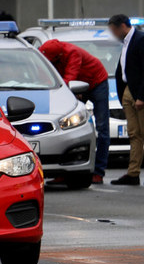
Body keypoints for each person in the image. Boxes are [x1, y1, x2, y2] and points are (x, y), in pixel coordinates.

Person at [39, 40, 111, 184]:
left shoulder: (73, 53)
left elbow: (69, 77)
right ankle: (64, 172)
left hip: (97, 83)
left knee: (102, 128)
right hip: (78, 85)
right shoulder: (50, 55)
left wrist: (70, 92)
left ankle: (98, 172)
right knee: (66, 126)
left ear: (58, 56)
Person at [107, 15, 144, 186]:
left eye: (114, 30)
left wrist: (142, 96)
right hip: (128, 90)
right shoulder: (125, 42)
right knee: (134, 135)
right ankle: (133, 173)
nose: (113, 34)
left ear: (122, 26)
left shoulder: (142, 40)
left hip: (141, 93)